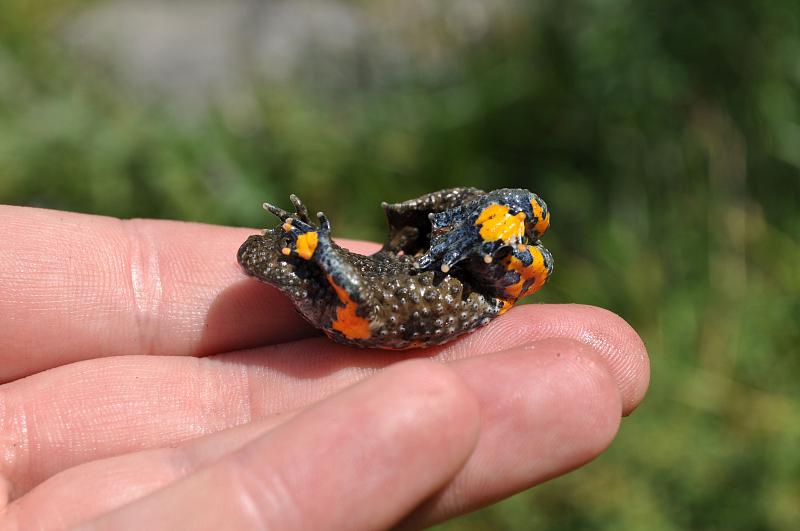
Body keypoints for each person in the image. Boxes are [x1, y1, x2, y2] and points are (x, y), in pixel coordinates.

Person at [0, 206, 649, 529]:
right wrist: (312, 248)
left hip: (385, 304)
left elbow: (343, 286)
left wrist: (315, 246)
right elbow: (278, 267)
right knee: (332, 286)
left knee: (346, 290)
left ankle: (312, 247)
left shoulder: (479, 292)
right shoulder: (384, 292)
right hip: (378, 304)